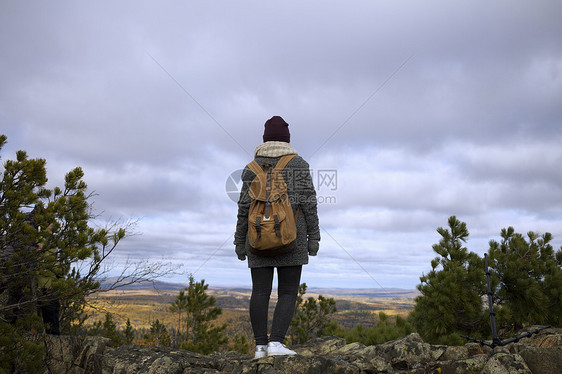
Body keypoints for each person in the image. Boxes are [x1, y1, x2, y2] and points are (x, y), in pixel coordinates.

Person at [234, 116, 320, 358]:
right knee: (288, 292)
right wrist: (314, 238)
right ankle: (277, 344)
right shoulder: (299, 165)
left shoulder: (250, 169)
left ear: (264, 139)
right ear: (287, 140)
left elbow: (243, 209)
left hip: (257, 238)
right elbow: (309, 204)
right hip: (292, 239)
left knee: (259, 291)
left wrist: (240, 242)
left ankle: (260, 346)